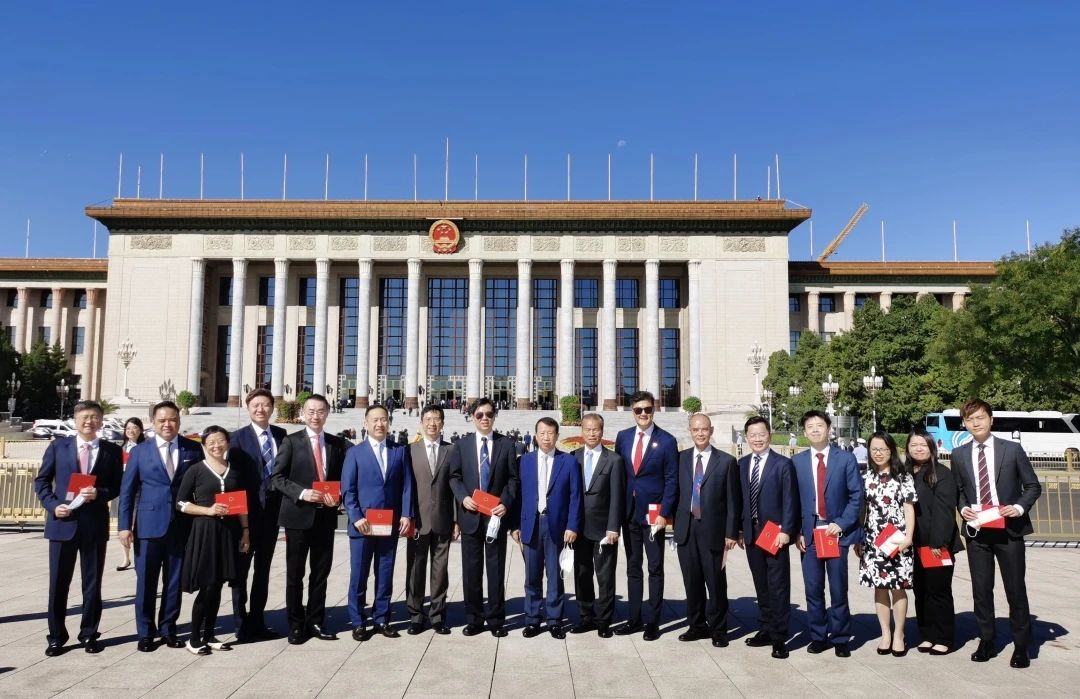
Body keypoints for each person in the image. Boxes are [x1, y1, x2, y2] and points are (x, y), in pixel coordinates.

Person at [953, 398, 1042, 668]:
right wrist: (963, 508)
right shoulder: (959, 454)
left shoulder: (1011, 450)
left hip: (1009, 531)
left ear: (991, 420)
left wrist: (1018, 507)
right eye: (970, 419)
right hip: (978, 531)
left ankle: (1021, 646)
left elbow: (1032, 486)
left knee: (1015, 589)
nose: (976, 423)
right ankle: (987, 640)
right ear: (964, 423)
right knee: (981, 590)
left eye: (980, 417)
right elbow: (959, 491)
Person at [34, 400, 123, 656]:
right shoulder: (58, 447)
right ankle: (56, 637)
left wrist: (100, 493)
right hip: (62, 524)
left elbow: (117, 485)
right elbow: (42, 481)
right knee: (58, 584)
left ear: (101, 421)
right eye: (85, 417)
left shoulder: (111, 451)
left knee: (92, 584)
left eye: (94, 417)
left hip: (93, 526)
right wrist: (53, 506)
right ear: (75, 420)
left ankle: (89, 634)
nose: (89, 422)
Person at [118, 401, 203, 652]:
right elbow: (127, 491)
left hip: (180, 526)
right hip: (148, 526)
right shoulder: (140, 452)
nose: (168, 424)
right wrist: (124, 526)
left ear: (179, 421)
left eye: (172, 419)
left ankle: (168, 629)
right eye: (162, 420)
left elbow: (200, 486)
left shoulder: (192, 449)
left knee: (174, 582)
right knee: (146, 582)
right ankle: (145, 633)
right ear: (153, 423)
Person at [271, 394, 347, 645]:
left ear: (328, 413)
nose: (316, 416)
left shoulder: (337, 444)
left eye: (321, 411)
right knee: (295, 574)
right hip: (298, 517)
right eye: (311, 411)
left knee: (320, 573)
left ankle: (315, 620)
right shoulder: (291, 441)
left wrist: (339, 497)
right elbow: (277, 477)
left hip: (325, 518)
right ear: (303, 414)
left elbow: (343, 479)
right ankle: (295, 624)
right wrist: (302, 493)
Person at [793, 410, 863, 658]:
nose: (815, 430)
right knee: (813, 589)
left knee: (838, 589)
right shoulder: (797, 462)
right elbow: (792, 500)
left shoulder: (845, 459)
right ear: (804, 432)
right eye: (810, 426)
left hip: (835, 533)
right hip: (810, 534)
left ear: (829, 429)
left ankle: (841, 637)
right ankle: (818, 636)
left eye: (819, 425)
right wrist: (797, 531)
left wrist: (841, 523)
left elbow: (856, 495)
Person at [447, 397, 520, 637]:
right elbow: (454, 477)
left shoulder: (506, 444)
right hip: (470, 516)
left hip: (495, 518)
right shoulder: (462, 445)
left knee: (496, 571)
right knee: (472, 572)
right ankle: (474, 619)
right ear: (472, 418)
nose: (485, 418)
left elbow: (513, 479)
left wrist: (505, 503)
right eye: (479, 415)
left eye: (489, 414)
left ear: (494, 416)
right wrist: (462, 497)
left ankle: (496, 620)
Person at [342, 404, 414, 640]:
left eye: (383, 419)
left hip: (389, 524)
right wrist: (356, 517)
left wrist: (406, 514)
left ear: (389, 422)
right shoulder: (355, 453)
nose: (379, 424)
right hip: (363, 526)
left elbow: (406, 486)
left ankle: (382, 618)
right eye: (374, 420)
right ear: (366, 423)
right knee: (359, 575)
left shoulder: (399, 451)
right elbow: (348, 490)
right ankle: (358, 621)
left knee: (385, 573)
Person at [176, 426, 251, 655]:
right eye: (211, 442)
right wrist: (207, 510)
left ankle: (209, 635)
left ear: (227, 442)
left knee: (218, 585)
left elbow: (241, 504)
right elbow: (181, 502)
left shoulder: (234, 470)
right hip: (206, 532)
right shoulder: (196, 470)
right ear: (204, 445)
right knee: (207, 586)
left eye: (220, 441)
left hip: (229, 532)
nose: (216, 446)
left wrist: (245, 531)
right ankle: (194, 638)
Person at [614, 390, 678, 641]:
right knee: (633, 567)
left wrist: (664, 512)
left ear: (654, 410)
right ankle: (634, 618)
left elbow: (671, 480)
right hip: (629, 513)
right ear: (632, 411)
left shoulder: (667, 441)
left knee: (654, 567)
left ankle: (653, 621)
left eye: (647, 409)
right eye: (638, 410)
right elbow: (620, 475)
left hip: (654, 516)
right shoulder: (623, 437)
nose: (643, 414)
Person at [512, 417, 582, 638]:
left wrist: (572, 526)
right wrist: (515, 525)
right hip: (531, 525)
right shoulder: (524, 461)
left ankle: (554, 620)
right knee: (531, 577)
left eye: (550, 433)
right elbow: (517, 497)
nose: (546, 437)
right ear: (535, 435)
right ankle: (532, 619)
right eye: (542, 433)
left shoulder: (568, 462)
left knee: (555, 576)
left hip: (557, 526)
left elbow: (575, 497)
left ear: (557, 435)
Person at [674, 413, 740, 647]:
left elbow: (733, 501)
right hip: (686, 528)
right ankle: (697, 625)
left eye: (704, 429)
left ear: (711, 431)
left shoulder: (726, 461)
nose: (700, 433)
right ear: (690, 431)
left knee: (715, 582)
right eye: (696, 429)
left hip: (713, 530)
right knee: (691, 581)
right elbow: (675, 492)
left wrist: (731, 532)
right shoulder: (680, 459)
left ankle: (719, 629)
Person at [738, 416, 799, 659]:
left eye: (761, 434)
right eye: (752, 435)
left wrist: (786, 531)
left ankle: (779, 636)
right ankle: (765, 627)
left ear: (769, 435)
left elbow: (790, 500)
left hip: (774, 533)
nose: (757, 439)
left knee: (778, 585)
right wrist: (739, 530)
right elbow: (740, 500)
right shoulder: (742, 464)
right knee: (761, 585)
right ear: (746, 437)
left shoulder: (783, 464)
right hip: (752, 533)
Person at [228, 388, 287, 641]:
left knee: (263, 571)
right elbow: (232, 480)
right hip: (245, 517)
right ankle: (240, 624)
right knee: (240, 573)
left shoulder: (282, 435)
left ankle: (258, 621)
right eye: (255, 405)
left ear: (272, 408)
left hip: (271, 516)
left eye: (265, 405)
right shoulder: (237, 438)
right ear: (248, 408)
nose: (260, 409)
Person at [854, 432, 917, 657]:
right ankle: (885, 634)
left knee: (898, 587)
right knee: (879, 587)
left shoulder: (903, 477)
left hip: (897, 540)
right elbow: (862, 510)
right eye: (874, 449)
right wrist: (859, 539)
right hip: (873, 540)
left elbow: (909, 508)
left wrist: (909, 537)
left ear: (891, 451)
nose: (878, 453)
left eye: (883, 449)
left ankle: (899, 634)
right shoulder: (865, 476)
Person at [906, 429, 961, 655]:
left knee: (939, 590)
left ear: (931, 447)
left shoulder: (942, 473)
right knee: (921, 590)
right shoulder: (905, 473)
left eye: (923, 444)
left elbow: (944, 511)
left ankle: (944, 637)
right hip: (912, 543)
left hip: (935, 543)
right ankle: (927, 634)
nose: (918, 448)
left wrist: (938, 542)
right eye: (913, 445)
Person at [405, 405, 458, 635]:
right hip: (418, 520)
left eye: (436, 419)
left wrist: (456, 520)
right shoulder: (409, 450)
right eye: (428, 419)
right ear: (421, 422)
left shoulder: (452, 450)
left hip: (443, 520)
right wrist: (407, 515)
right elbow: (406, 487)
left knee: (440, 571)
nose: (432, 423)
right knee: (415, 569)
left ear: (442, 423)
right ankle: (416, 615)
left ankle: (437, 615)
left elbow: (455, 486)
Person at [571, 413, 625, 638]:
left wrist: (613, 527)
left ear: (602, 431)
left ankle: (604, 620)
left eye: (596, 429)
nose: (592, 433)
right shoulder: (573, 457)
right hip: (578, 528)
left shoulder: (614, 460)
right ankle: (586, 617)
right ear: (582, 431)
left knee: (605, 576)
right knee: (582, 574)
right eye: (588, 429)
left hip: (604, 529)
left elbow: (617, 497)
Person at [115, 416, 146, 572]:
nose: (131, 431)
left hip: (141, 489)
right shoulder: (120, 448)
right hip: (125, 489)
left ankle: (140, 555)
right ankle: (126, 558)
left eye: (135, 428)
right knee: (124, 523)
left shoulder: (145, 448)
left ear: (140, 430)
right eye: (128, 428)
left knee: (138, 523)